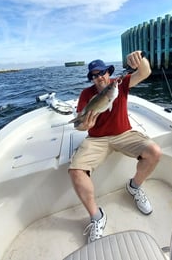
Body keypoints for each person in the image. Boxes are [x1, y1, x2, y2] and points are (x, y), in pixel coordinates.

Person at [68, 50, 162, 243]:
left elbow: (144, 72)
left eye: (101, 72)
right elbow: (78, 124)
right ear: (91, 79)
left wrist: (140, 58)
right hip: (96, 139)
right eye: (94, 75)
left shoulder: (119, 84)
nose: (99, 77)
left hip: (124, 134)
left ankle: (134, 187)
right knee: (75, 171)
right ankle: (97, 217)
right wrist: (84, 126)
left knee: (154, 151)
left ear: (108, 73)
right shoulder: (86, 94)